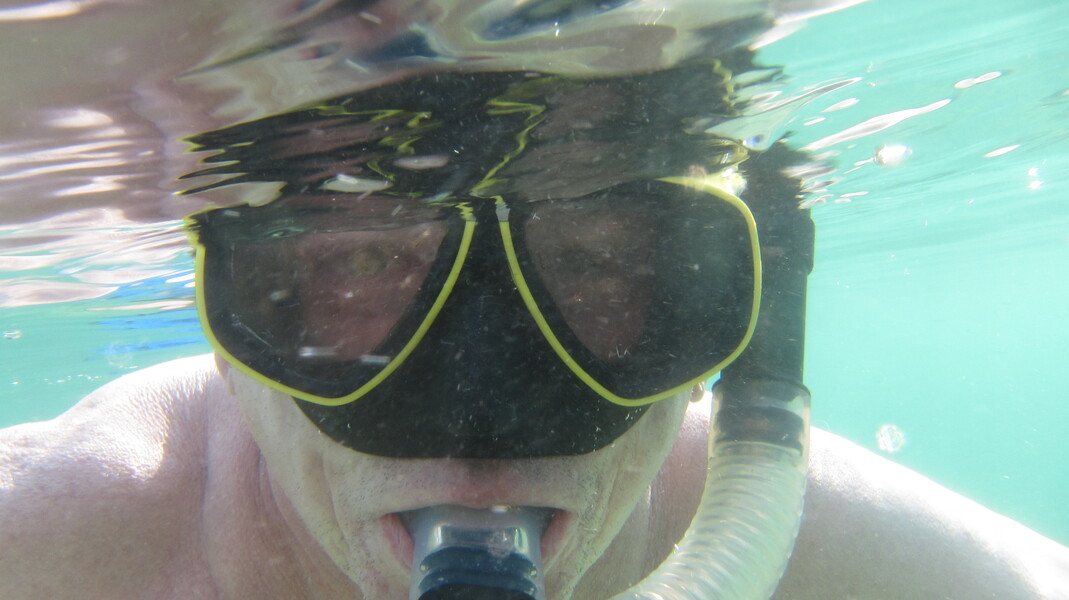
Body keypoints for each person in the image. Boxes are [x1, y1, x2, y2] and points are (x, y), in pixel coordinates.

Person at [2, 7, 1069, 600]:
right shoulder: (61, 543)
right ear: (232, 341)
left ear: (721, 327)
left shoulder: (860, 568)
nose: (480, 436)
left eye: (603, 267)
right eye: (355, 271)